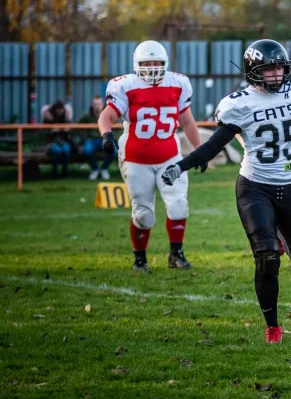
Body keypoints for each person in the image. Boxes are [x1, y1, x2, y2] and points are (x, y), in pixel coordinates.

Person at [161, 40, 291, 344]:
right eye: (270, 68)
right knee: (267, 257)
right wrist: (182, 164)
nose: (278, 74)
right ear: (254, 72)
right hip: (255, 187)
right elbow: (214, 145)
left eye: (281, 67)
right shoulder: (239, 104)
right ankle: (273, 326)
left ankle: (278, 236)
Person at [98, 41, 203, 272]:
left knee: (178, 206)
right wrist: (106, 135)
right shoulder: (125, 85)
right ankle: (140, 259)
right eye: (147, 63)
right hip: (136, 158)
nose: (152, 67)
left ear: (165, 63)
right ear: (137, 64)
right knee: (143, 213)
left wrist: (199, 150)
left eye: (157, 62)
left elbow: (186, 121)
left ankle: (176, 255)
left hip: (169, 155)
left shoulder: (177, 83)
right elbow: (106, 116)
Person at [78, 96, 114, 180]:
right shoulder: (86, 116)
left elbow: (118, 128)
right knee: (87, 150)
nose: (97, 106)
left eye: (99, 104)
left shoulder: (109, 114)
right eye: (95, 104)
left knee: (114, 150)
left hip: (105, 139)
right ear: (92, 105)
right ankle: (94, 169)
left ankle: (104, 168)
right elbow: (78, 128)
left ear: (102, 104)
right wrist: (85, 138)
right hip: (91, 140)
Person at [42, 100, 72, 178]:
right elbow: (44, 131)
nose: (60, 111)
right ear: (54, 109)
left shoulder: (66, 117)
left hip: (64, 140)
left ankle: (64, 171)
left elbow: (70, 130)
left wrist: (65, 129)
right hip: (51, 141)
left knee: (66, 150)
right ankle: (54, 171)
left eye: (61, 109)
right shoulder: (48, 118)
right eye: (58, 109)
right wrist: (52, 130)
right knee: (57, 151)